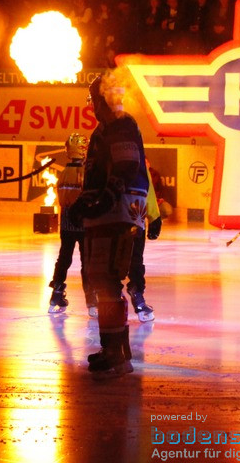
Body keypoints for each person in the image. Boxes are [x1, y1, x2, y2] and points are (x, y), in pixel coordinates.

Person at [69, 73, 149, 378]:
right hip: (107, 211)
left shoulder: (121, 124)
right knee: (101, 278)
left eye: (94, 99)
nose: (92, 107)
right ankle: (113, 349)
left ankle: (115, 354)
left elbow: (126, 166)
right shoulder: (107, 128)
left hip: (117, 211)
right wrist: (84, 202)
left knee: (107, 279)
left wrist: (103, 200)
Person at [48, 133, 97, 316]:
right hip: (84, 224)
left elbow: (62, 199)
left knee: (64, 259)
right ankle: (91, 301)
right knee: (88, 262)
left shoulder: (63, 174)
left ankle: (57, 293)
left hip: (67, 224)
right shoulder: (87, 174)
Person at [126, 163, 163, 323]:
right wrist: (154, 216)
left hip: (116, 218)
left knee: (116, 259)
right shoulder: (137, 158)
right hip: (135, 218)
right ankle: (137, 295)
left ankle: (111, 295)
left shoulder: (107, 154)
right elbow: (146, 189)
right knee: (134, 260)